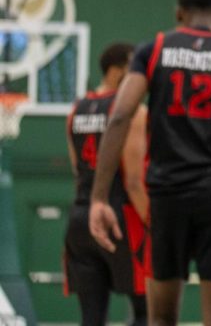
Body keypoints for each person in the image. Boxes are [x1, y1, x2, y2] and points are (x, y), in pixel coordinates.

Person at [89, 0, 211, 326]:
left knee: (160, 318)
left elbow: (118, 117)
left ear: (178, 14)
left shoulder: (152, 51)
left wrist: (99, 198)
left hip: (165, 195)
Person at [64, 42, 150, 326]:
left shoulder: (75, 111)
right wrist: (154, 223)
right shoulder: (133, 111)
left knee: (91, 317)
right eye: (134, 69)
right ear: (116, 71)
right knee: (145, 313)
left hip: (82, 217)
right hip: (121, 218)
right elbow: (135, 182)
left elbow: (78, 169)